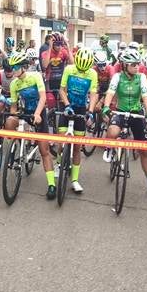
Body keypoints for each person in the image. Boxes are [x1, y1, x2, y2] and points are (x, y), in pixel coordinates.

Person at [102, 48, 147, 198]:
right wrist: (106, 107)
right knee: (113, 132)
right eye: (133, 64)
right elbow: (110, 92)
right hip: (121, 110)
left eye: (137, 64)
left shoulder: (141, 77)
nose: (137, 67)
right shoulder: (117, 77)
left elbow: (146, 96)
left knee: (143, 150)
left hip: (136, 112)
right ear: (125, 65)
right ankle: (110, 150)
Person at [3, 52, 51, 197]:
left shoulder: (35, 76)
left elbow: (43, 97)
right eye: (12, 67)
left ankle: (51, 184)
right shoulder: (14, 84)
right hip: (25, 113)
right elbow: (13, 106)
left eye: (16, 67)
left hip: (39, 113)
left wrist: (37, 114)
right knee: (10, 121)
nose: (14, 70)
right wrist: (12, 115)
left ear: (24, 67)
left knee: (44, 151)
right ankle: (15, 146)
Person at [57, 47, 99, 194]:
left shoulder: (92, 73)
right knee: (62, 141)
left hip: (81, 108)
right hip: (67, 104)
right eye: (79, 68)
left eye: (84, 69)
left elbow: (93, 94)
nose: (81, 71)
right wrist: (67, 105)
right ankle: (58, 163)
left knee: (77, 147)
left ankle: (74, 180)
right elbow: (62, 89)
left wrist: (91, 112)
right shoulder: (69, 69)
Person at [41, 32, 72, 110]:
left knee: (63, 102)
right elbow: (45, 65)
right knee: (50, 101)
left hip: (61, 80)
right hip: (50, 80)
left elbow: (72, 63)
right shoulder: (46, 53)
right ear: (52, 44)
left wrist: (68, 47)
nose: (59, 47)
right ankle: (51, 118)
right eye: (57, 44)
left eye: (61, 44)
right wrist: (50, 47)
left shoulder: (63, 51)